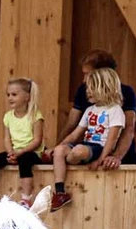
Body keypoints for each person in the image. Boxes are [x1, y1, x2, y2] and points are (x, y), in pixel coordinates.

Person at [48, 66, 130, 212]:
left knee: (78, 150)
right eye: (87, 88)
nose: (87, 92)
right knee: (61, 150)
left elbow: (111, 140)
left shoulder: (115, 110)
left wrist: (101, 159)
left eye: (92, 88)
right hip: (86, 146)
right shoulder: (89, 110)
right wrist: (57, 148)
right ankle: (60, 192)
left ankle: (66, 159)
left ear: (105, 88)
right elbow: (75, 134)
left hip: (100, 148)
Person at [60, 51, 136, 165]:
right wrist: (58, 148)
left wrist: (116, 157)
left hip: (120, 156)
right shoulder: (83, 91)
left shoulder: (126, 93)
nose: (84, 80)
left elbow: (128, 129)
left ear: (104, 73)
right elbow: (71, 125)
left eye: (88, 74)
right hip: (88, 153)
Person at [0, 77, 47, 208]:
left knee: (25, 162)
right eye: (8, 95)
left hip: (31, 152)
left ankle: (26, 199)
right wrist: (10, 152)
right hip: (15, 151)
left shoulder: (35, 115)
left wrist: (20, 152)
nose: (10, 98)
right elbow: (7, 138)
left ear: (27, 97)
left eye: (14, 94)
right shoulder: (8, 116)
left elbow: (37, 140)